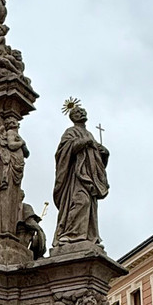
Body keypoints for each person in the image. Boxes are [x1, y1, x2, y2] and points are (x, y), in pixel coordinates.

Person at [52, 103, 108, 246]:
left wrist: (104, 153)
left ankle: (87, 235)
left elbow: (95, 159)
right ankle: (69, 234)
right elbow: (63, 152)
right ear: (72, 117)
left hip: (89, 176)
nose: (81, 113)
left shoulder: (89, 134)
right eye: (77, 112)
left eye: (82, 111)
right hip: (76, 176)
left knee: (90, 206)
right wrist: (84, 142)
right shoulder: (70, 132)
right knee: (81, 201)